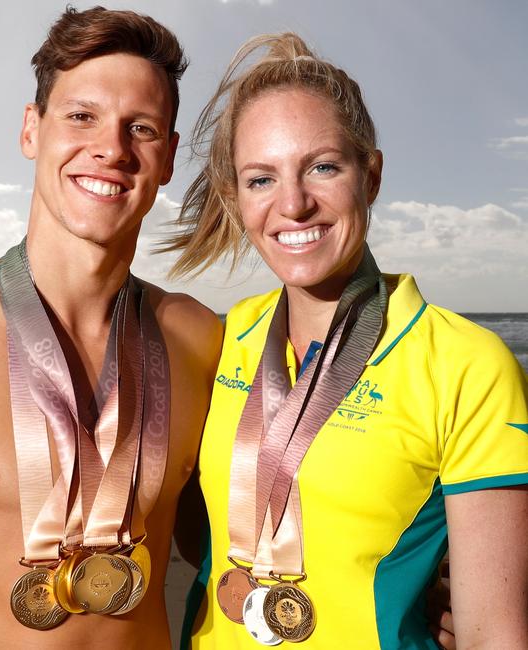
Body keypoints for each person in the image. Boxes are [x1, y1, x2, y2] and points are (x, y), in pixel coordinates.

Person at [0, 6, 222, 650]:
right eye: (82, 115)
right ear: (32, 129)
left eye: (140, 128)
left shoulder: (201, 340)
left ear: (169, 156)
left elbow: (247, 539)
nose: (111, 148)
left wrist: (428, 585)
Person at [169, 33, 528, 649]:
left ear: (372, 175)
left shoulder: (467, 364)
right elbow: (192, 526)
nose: (294, 203)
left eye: (323, 167)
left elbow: (494, 632)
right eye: (261, 179)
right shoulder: (223, 339)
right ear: (236, 199)